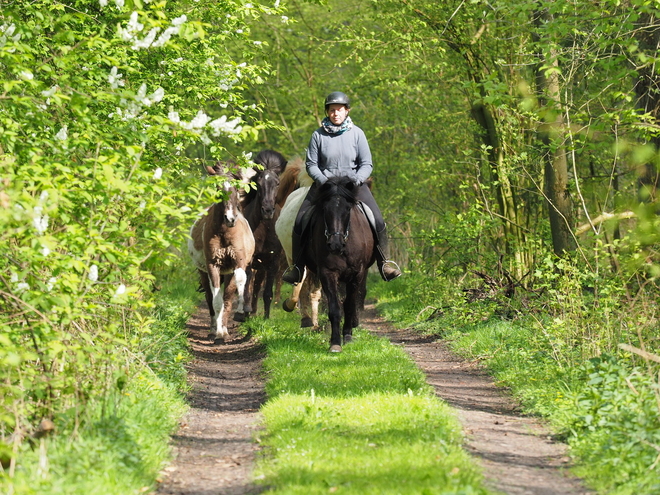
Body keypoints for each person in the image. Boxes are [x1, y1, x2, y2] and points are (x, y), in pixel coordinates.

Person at [282, 91, 402, 285]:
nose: (335, 113)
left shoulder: (357, 134)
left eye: (339, 110)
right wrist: (323, 180)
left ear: (347, 111)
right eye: (331, 110)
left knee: (377, 219)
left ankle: (384, 263)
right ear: (327, 112)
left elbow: (367, 163)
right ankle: (297, 267)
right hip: (324, 186)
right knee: (300, 220)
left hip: (352, 185)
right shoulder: (317, 135)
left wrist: (356, 180)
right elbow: (312, 164)